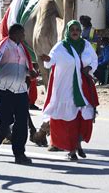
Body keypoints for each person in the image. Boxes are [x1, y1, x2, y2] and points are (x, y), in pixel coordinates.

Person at [40, 20, 99, 161]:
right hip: (66, 87)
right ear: (67, 31)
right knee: (70, 119)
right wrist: (47, 59)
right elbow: (50, 61)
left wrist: (89, 68)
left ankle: (78, 144)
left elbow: (94, 60)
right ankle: (71, 150)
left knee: (84, 117)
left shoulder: (86, 45)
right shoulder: (61, 46)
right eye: (72, 29)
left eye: (77, 29)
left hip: (84, 86)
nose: (75, 32)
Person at [0, 23, 37, 165]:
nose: (24, 36)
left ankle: (19, 154)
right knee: (6, 121)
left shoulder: (23, 49)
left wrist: (30, 72)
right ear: (15, 33)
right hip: (5, 88)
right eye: (22, 33)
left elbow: (27, 67)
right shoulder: (2, 46)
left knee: (21, 123)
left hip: (20, 89)